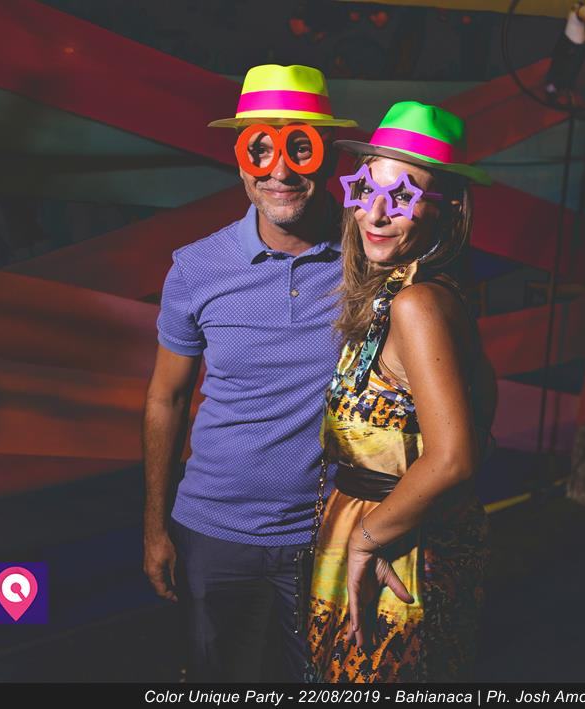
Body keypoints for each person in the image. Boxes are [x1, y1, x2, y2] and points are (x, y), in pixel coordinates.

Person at [142, 64, 356, 682]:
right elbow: (165, 398)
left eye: (300, 149)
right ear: (239, 161)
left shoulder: (368, 257)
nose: (280, 172)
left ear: (328, 157)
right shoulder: (196, 268)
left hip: (331, 532)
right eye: (259, 150)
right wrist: (154, 526)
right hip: (214, 532)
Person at [306, 101, 497, 682]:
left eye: (404, 196)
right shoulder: (408, 293)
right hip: (378, 526)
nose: (376, 212)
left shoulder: (417, 305)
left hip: (402, 546)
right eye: (367, 188)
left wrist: (366, 540)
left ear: (447, 208)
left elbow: (454, 458)